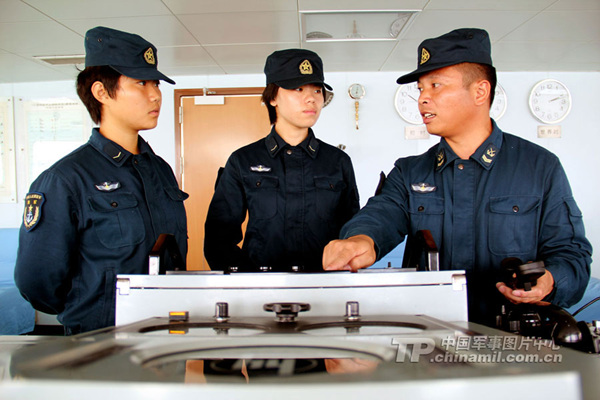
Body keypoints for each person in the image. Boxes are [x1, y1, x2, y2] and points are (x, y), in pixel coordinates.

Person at [322, 28, 592, 326]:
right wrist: (360, 239)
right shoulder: (410, 172)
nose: (422, 99)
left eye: (436, 85)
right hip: (432, 339)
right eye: (421, 89)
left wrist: (550, 280)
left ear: (480, 92)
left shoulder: (539, 167)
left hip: (514, 340)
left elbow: (572, 255)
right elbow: (380, 216)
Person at [14, 26, 188, 335]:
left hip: (168, 332)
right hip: (101, 341)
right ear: (101, 92)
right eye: (141, 83)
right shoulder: (65, 179)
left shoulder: (159, 169)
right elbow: (37, 282)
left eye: (156, 83)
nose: (155, 94)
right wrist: (91, 311)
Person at [204, 49, 359, 272]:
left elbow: (352, 232)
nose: (311, 98)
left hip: (324, 284)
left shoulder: (337, 162)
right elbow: (218, 240)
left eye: (317, 90)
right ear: (273, 97)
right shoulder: (243, 161)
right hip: (261, 287)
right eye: (298, 89)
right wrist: (247, 281)